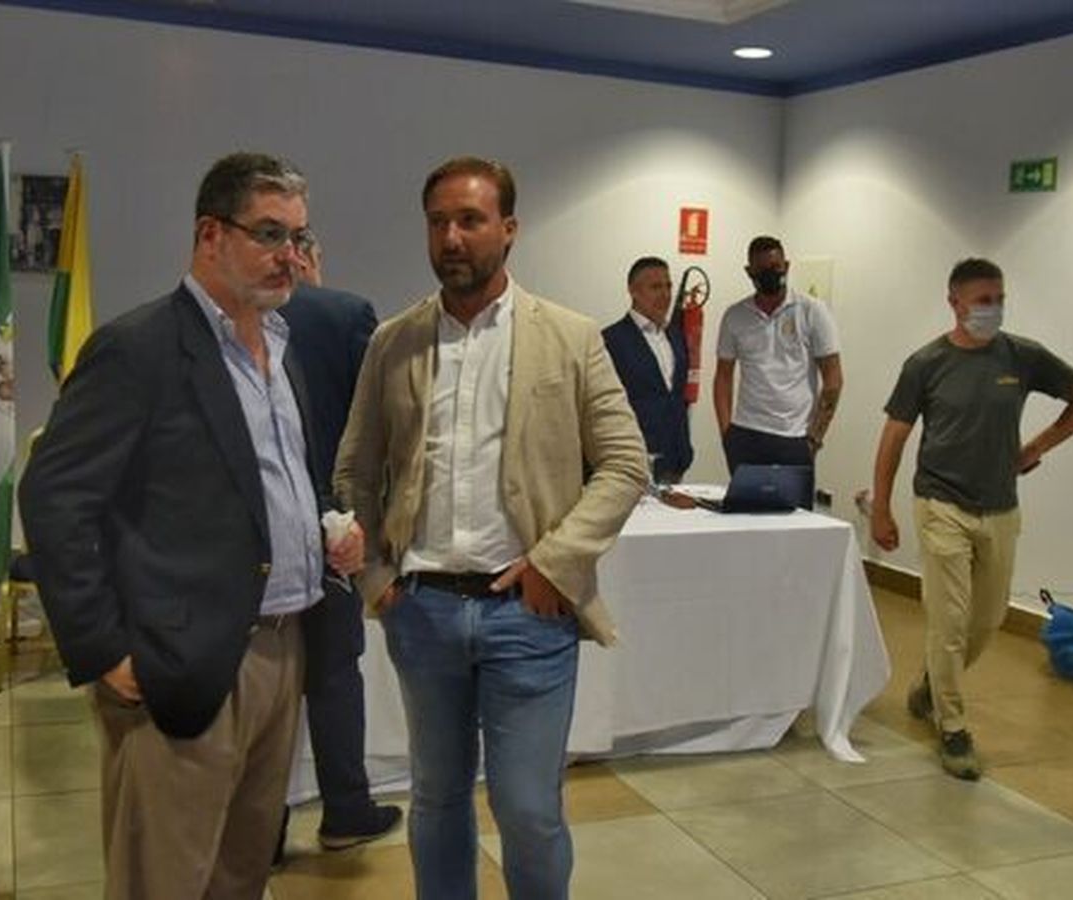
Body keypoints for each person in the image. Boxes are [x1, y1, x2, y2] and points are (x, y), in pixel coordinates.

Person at [18, 152, 364, 900]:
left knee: (243, 872)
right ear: (211, 235)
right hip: (182, 658)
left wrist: (324, 529)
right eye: (269, 234)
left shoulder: (282, 347)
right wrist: (102, 649)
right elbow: (54, 498)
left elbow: (263, 479)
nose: (290, 255)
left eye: (299, 237)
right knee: (165, 880)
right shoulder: (138, 348)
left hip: (284, 644)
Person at [333, 156, 648, 900]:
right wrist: (377, 581)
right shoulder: (394, 342)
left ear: (508, 229)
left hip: (527, 616)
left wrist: (555, 562)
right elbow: (354, 469)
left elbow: (625, 464)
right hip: (423, 611)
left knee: (529, 809)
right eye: (438, 221)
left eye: (470, 220)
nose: (452, 237)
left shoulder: (569, 338)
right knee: (437, 799)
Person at [869, 257, 1073, 780]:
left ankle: (932, 685)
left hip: (999, 506)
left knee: (987, 620)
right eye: (982, 301)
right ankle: (953, 728)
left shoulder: (1022, 356)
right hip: (941, 504)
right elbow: (894, 436)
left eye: (999, 299)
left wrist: (1037, 446)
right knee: (949, 621)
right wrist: (881, 507)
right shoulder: (926, 363)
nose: (992, 309)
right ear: (954, 303)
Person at [274, 248, 403, 857]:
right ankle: (346, 811)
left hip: (257, 533)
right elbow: (379, 426)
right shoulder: (346, 314)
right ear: (307, 255)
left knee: (265, 685)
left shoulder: (231, 313)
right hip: (333, 529)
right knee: (333, 676)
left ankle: (262, 831)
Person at [713, 235, 842, 475]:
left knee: (795, 502)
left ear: (787, 266)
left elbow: (833, 378)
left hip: (795, 437)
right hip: (746, 434)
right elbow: (723, 376)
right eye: (761, 269)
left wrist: (814, 439)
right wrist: (727, 434)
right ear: (749, 272)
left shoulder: (812, 311)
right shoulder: (735, 316)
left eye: (775, 267)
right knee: (745, 501)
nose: (769, 274)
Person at [602, 256, 693, 484]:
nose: (665, 294)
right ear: (633, 291)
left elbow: (676, 396)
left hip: (674, 458)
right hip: (630, 460)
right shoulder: (611, 340)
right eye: (655, 287)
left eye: (668, 286)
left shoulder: (676, 336)